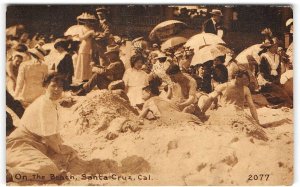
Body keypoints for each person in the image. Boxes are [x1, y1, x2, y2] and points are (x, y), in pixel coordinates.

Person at [7, 73, 76, 182]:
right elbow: (48, 137)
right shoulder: (45, 105)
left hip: (35, 144)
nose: (57, 89)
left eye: (60, 86)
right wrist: (60, 150)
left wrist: (61, 148)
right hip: (18, 144)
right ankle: (10, 174)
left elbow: (52, 135)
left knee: (69, 153)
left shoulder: (51, 102)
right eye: (53, 85)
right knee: (50, 170)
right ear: (45, 86)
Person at [199, 70, 268, 141]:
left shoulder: (245, 89)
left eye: (247, 79)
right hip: (225, 114)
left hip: (240, 114)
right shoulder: (224, 86)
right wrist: (202, 113)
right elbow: (211, 98)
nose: (246, 81)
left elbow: (251, 106)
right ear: (237, 78)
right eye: (244, 79)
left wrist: (257, 122)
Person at [74, 12, 97, 82]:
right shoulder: (82, 28)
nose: (87, 22)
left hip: (91, 46)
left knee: (89, 62)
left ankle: (88, 78)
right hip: (84, 46)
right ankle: (83, 78)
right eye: (86, 20)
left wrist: (94, 35)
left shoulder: (92, 28)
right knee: (83, 62)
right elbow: (81, 38)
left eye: (89, 20)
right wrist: (89, 33)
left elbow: (93, 37)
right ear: (83, 21)